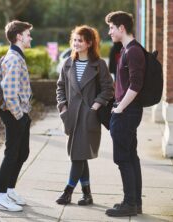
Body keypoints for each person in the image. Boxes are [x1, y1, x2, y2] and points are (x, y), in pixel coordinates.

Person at [55, 25, 114, 206]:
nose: (76, 43)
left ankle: (68, 191)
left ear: (89, 43)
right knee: (79, 155)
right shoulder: (67, 64)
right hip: (72, 116)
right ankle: (87, 194)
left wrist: (95, 107)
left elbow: (108, 89)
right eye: (74, 40)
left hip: (89, 117)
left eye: (80, 40)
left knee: (77, 156)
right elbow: (60, 88)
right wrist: (63, 108)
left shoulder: (99, 65)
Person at [104, 11, 146, 217]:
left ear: (121, 28)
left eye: (111, 27)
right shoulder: (128, 50)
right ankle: (134, 203)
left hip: (127, 112)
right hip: (127, 111)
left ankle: (130, 203)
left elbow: (136, 85)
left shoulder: (133, 51)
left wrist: (119, 108)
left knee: (123, 158)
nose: (109, 31)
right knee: (130, 157)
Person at [0, 20, 33, 212]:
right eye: (27, 34)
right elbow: (8, 93)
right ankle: (0, 197)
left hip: (20, 113)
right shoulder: (14, 59)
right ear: (19, 36)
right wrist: (20, 116)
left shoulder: (17, 56)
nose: (30, 37)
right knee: (11, 154)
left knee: (22, 153)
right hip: (13, 114)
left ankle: (9, 190)